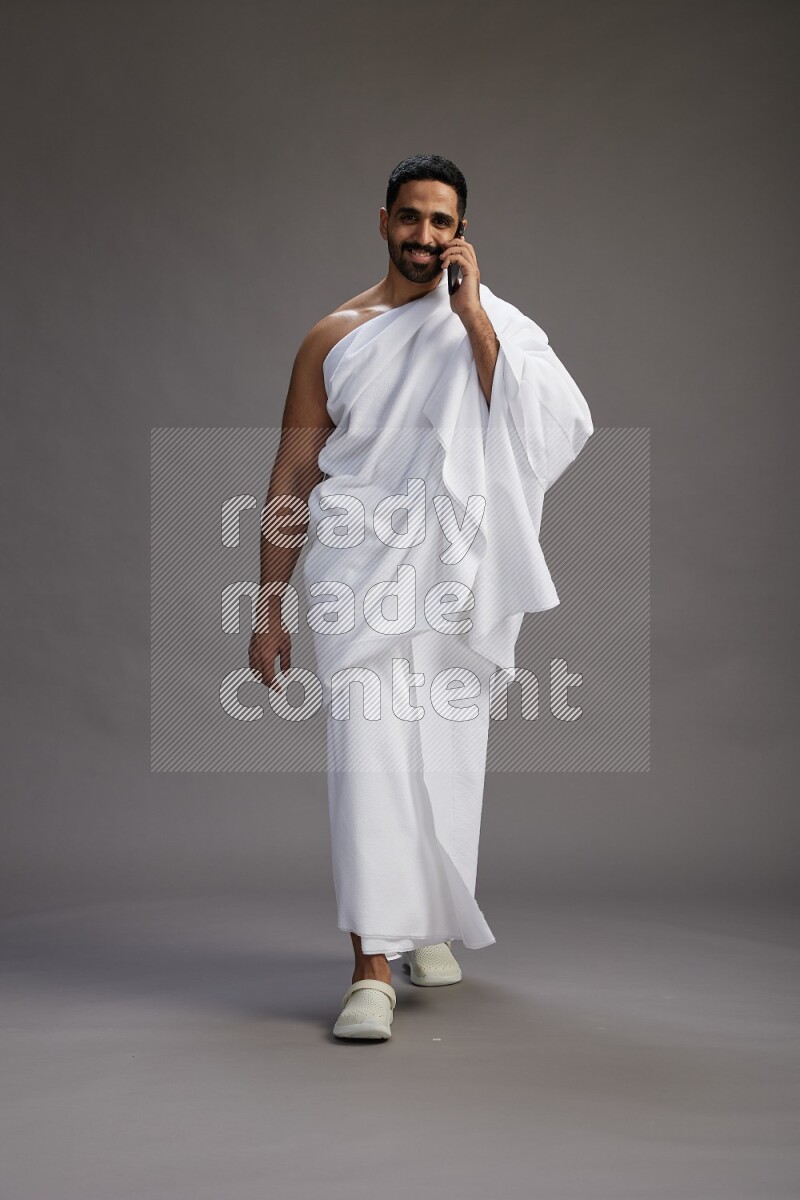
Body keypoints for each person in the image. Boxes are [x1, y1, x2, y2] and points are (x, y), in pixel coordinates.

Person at [249, 154, 594, 1041]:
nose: (425, 236)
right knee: (368, 759)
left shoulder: (490, 324)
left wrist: (472, 315)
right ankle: (369, 966)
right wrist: (268, 605)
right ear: (384, 222)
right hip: (358, 574)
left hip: (452, 579)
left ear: (462, 232)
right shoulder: (334, 337)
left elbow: (544, 428)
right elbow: (293, 475)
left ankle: (428, 921)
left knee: (445, 755)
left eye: (442, 222)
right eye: (411, 217)